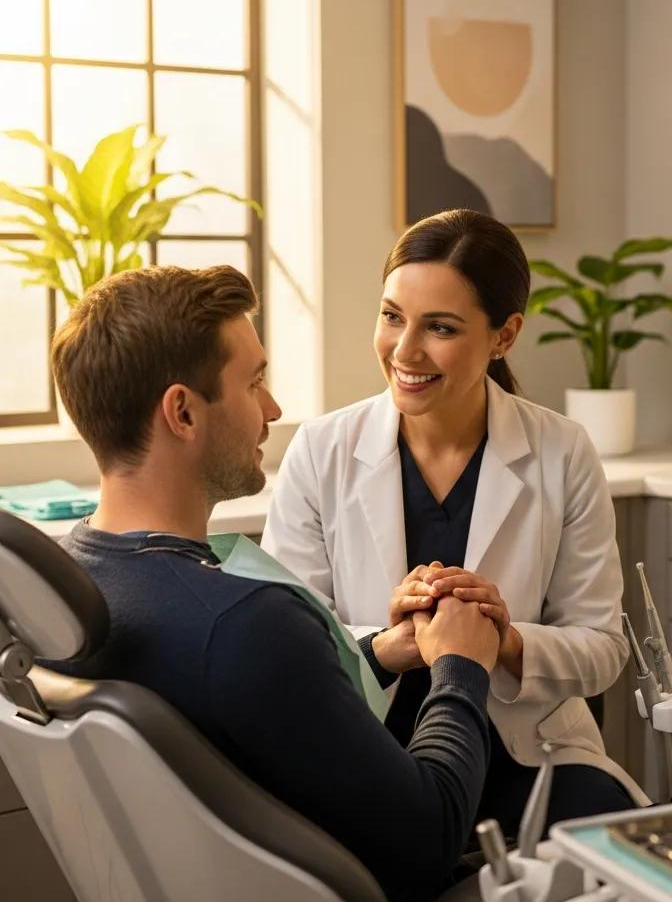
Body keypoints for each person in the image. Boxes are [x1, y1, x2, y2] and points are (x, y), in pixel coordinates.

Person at [45, 264, 501, 902]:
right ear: (182, 411)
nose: (273, 408)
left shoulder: (73, 584)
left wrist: (377, 654)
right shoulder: (247, 622)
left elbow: (246, 708)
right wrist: (460, 667)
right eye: (254, 381)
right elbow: (431, 837)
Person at [263, 209, 647, 836]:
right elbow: (292, 650)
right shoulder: (320, 449)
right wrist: (394, 645)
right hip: (372, 751)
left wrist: (503, 640)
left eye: (439, 327)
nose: (405, 351)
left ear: (505, 335)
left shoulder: (563, 451)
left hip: (528, 754)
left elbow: (602, 650)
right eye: (392, 316)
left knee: (619, 861)